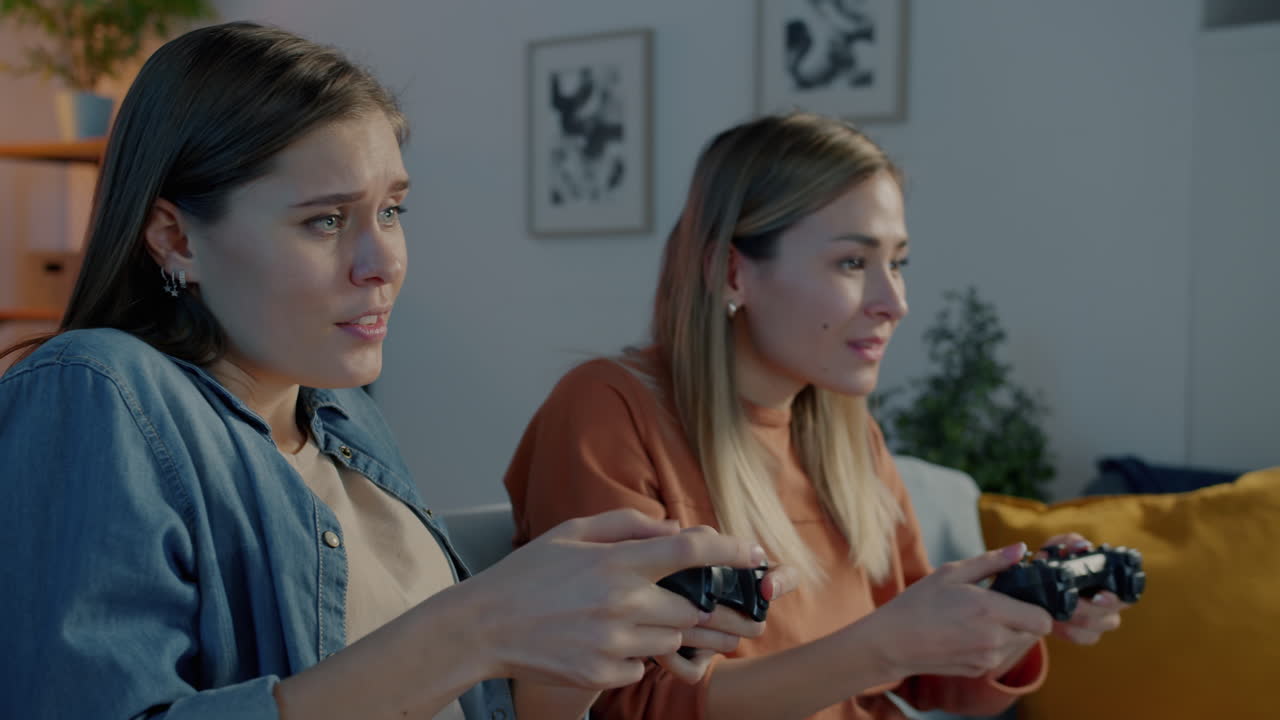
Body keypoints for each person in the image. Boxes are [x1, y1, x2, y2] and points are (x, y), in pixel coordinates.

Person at [0, 22, 790, 720]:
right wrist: (479, 623)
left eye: (391, 211)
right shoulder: (96, 390)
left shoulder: (343, 416)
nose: (384, 262)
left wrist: (576, 656)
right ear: (174, 239)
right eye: (325, 220)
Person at [503, 112, 1128, 720]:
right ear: (731, 271)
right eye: (853, 262)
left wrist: (1017, 615)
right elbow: (626, 707)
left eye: (898, 262)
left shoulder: (848, 435)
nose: (895, 302)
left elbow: (932, 677)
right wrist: (884, 644)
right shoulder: (609, 412)